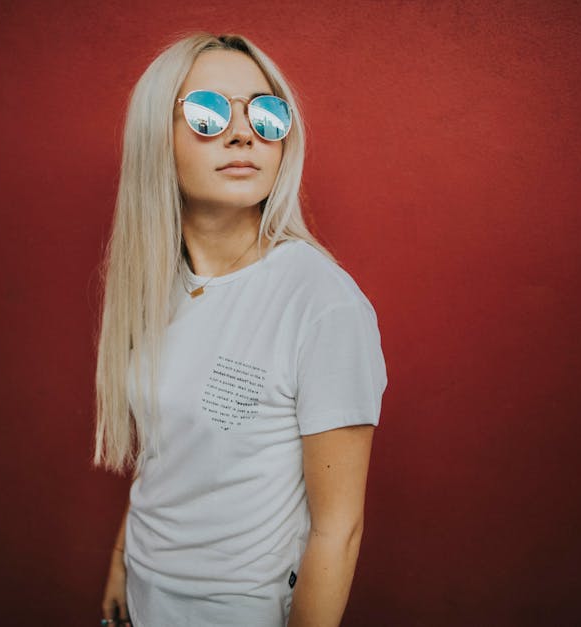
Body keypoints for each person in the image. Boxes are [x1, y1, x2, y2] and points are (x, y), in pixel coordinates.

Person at [93, 31, 388, 627]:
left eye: (266, 112)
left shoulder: (322, 304)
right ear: (158, 136)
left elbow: (339, 529)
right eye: (206, 112)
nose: (242, 132)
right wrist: (123, 561)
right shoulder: (154, 281)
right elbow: (165, 447)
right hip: (143, 592)